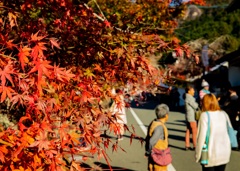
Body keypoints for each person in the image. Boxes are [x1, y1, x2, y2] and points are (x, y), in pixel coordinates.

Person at [196, 94, 232, 171]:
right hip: (224, 152)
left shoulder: (205, 115)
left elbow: (201, 137)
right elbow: (230, 130)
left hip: (210, 154)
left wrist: (197, 155)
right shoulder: (224, 114)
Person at [145, 104, 170, 171]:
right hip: (159, 156)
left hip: (153, 155)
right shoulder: (159, 127)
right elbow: (152, 141)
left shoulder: (154, 122)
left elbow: (148, 139)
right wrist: (148, 151)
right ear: (166, 115)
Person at [184, 85, 199, 150]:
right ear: (189, 91)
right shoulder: (190, 98)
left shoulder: (187, 97)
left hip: (188, 116)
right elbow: (195, 106)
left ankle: (187, 145)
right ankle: (195, 145)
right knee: (194, 131)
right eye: (193, 90)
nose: (194, 91)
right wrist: (198, 104)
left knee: (188, 130)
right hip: (191, 117)